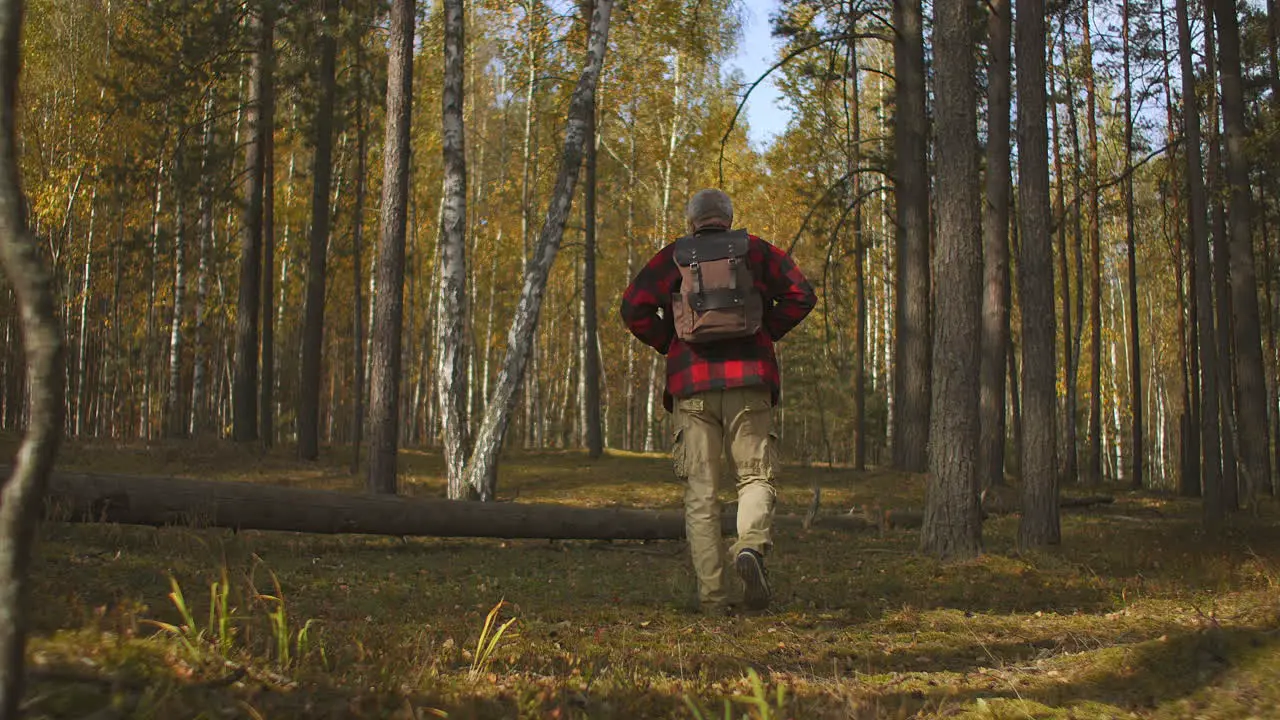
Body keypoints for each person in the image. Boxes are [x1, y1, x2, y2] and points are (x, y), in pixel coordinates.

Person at [620, 188, 815, 613]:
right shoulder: (757, 252)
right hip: (750, 380)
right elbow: (802, 294)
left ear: (692, 222)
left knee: (701, 495)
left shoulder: (673, 257)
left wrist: (670, 341)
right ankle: (750, 548)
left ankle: (714, 599)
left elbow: (633, 308)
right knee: (754, 477)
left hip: (692, 386)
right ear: (728, 219)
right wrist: (765, 331)